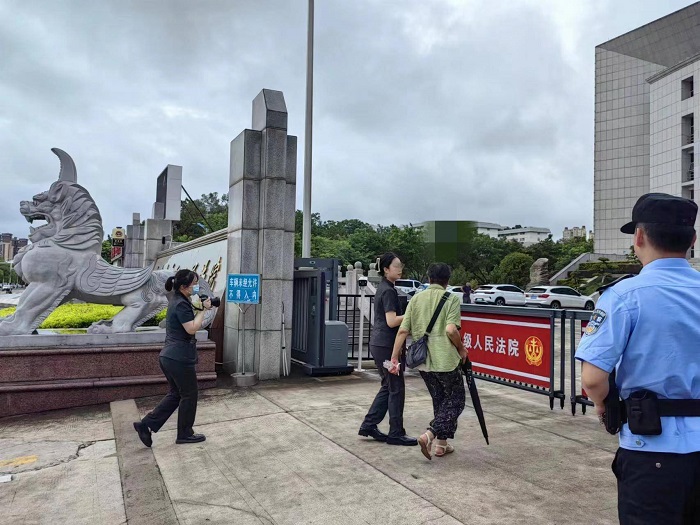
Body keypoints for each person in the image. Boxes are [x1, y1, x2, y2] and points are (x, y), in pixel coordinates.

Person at [576, 193, 700, 524]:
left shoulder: (623, 295)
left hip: (652, 449)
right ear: (692, 240)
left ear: (639, 236)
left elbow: (593, 379)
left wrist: (603, 406)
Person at [391, 262, 467, 460]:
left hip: (423, 361)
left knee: (440, 400)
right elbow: (451, 330)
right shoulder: (451, 299)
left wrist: (394, 358)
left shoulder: (416, 299)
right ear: (447, 281)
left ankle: (441, 445)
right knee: (456, 400)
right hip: (445, 360)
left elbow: (403, 330)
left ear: (429, 278)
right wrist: (461, 349)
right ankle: (430, 435)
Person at [133, 269, 213, 447]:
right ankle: (185, 434)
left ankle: (146, 425)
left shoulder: (178, 300)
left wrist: (198, 308)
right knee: (189, 395)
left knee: (177, 394)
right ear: (184, 286)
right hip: (179, 358)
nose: (196, 287)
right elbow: (191, 329)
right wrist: (204, 310)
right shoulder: (181, 304)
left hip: (170, 357)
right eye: (194, 284)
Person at [358, 252, 417, 446]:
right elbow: (392, 321)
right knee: (396, 388)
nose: (400, 269)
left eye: (401, 266)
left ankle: (369, 425)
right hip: (386, 345)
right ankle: (396, 433)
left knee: (388, 386)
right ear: (385, 269)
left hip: (380, 344)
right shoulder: (389, 291)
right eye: (396, 266)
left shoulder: (384, 287)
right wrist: (413, 313)